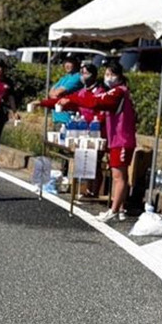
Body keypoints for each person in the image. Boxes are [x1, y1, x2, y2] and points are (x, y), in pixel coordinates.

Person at [57, 59, 137, 222]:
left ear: (119, 76)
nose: (108, 77)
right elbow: (95, 100)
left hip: (122, 139)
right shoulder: (113, 92)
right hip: (115, 139)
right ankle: (118, 208)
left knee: (118, 176)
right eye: (106, 74)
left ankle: (114, 210)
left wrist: (74, 100)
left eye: (111, 74)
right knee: (118, 176)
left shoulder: (118, 92)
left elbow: (95, 102)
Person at [35, 62, 106, 197]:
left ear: (94, 75)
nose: (83, 76)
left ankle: (94, 191)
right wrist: (42, 103)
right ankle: (83, 189)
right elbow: (64, 100)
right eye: (82, 73)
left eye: (86, 73)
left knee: (95, 162)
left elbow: (101, 112)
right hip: (83, 130)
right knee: (84, 160)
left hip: (96, 130)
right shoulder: (82, 92)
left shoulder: (100, 92)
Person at [49, 54, 84, 128]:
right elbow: (51, 92)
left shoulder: (77, 77)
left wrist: (55, 93)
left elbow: (58, 92)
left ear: (76, 64)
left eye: (70, 62)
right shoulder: (65, 77)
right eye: (65, 62)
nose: (67, 65)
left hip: (68, 120)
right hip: (58, 118)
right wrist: (54, 93)